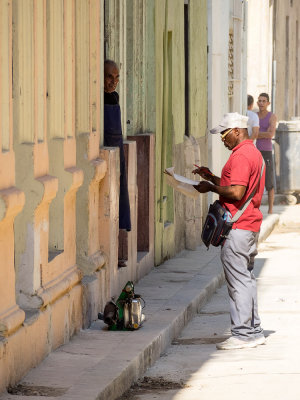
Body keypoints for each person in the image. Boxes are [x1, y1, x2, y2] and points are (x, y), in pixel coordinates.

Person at [193, 112, 266, 350]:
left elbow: (236, 192)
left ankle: (243, 334)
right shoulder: (251, 152)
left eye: (224, 135)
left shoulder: (242, 155)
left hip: (238, 227)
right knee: (246, 279)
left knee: (238, 282)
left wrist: (210, 187)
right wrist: (211, 177)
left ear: (236, 131)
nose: (222, 140)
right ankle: (254, 331)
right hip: (248, 225)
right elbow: (234, 184)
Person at [104, 60, 131, 268]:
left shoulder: (115, 97)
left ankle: (117, 253)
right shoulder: (99, 98)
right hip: (106, 155)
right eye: (109, 77)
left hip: (117, 153)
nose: (113, 82)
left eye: (116, 77)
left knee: (119, 203)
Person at [256, 93, 277, 214]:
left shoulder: (272, 116)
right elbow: (251, 133)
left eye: (264, 101)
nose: (261, 103)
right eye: (260, 101)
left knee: (269, 181)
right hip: (256, 151)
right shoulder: (255, 116)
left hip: (267, 152)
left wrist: (258, 133)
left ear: (268, 103)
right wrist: (262, 133)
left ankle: (270, 210)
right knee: (256, 181)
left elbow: (270, 134)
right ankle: (256, 208)